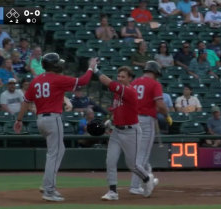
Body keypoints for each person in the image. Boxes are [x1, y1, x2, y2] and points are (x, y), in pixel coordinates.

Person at [14, 53, 97, 202]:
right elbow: (83, 81)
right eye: (58, 62)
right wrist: (91, 67)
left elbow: (26, 102)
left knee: (57, 151)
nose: (60, 64)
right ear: (54, 65)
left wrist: (19, 119)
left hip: (40, 120)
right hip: (53, 119)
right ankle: (49, 190)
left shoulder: (36, 80)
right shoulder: (58, 79)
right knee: (54, 153)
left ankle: (47, 183)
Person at [94, 65, 156, 200]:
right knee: (110, 161)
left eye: (123, 77)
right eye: (119, 76)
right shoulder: (118, 93)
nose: (120, 79)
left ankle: (146, 178)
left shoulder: (130, 91)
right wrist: (109, 122)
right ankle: (112, 191)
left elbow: (108, 82)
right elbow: (115, 109)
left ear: (130, 79)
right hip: (117, 131)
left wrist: (95, 69)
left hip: (131, 132)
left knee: (132, 165)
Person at [130, 61, 168, 195]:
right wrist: (166, 114)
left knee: (139, 153)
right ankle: (136, 185)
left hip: (132, 119)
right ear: (156, 72)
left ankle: (149, 176)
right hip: (146, 120)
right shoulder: (154, 84)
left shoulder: (134, 82)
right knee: (142, 155)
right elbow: (160, 105)